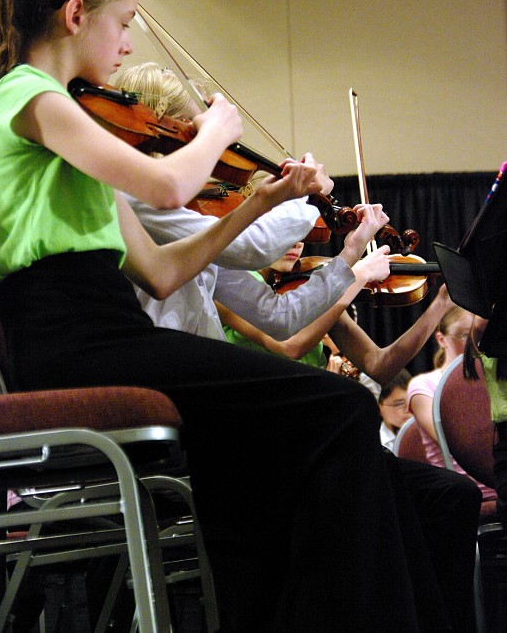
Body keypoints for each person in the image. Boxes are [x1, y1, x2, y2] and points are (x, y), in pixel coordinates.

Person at [0, 0, 441, 632]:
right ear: (76, 15)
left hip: (102, 333)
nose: (127, 42)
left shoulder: (70, 125)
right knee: (339, 408)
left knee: (256, 471)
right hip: (72, 345)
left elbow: (164, 266)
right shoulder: (28, 95)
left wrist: (261, 204)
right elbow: (173, 186)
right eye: (123, 22)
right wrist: (214, 129)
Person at [115, 62, 483, 633]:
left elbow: (277, 310)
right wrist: (305, 196)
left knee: (435, 497)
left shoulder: (201, 220)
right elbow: (258, 246)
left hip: (209, 403)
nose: (209, 165)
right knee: (347, 434)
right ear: (155, 137)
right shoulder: (148, 199)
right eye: (189, 140)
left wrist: (351, 247)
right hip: (180, 406)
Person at [408, 305, 496, 501]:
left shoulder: (492, 376)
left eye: (480, 335)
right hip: (465, 489)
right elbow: (455, 440)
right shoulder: (424, 385)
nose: (475, 343)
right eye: (466, 335)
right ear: (441, 339)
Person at [378, 369, 412, 450]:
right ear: (379, 408)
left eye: (412, 401)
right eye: (399, 404)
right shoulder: (376, 445)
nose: (409, 409)